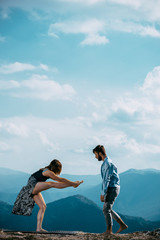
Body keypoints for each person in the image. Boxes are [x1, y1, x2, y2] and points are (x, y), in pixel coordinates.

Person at [12, 159, 83, 232]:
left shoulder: (45, 169)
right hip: (32, 186)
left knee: (43, 207)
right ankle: (74, 185)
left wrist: (73, 184)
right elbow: (60, 179)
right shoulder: (48, 172)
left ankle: (38, 228)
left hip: (34, 187)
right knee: (52, 184)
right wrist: (73, 183)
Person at [93, 145, 128, 235]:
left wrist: (102, 193)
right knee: (107, 208)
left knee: (106, 209)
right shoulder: (106, 162)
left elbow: (106, 179)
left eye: (96, 154)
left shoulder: (107, 163)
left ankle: (109, 231)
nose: (95, 156)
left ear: (100, 153)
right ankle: (122, 225)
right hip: (112, 187)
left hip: (112, 188)